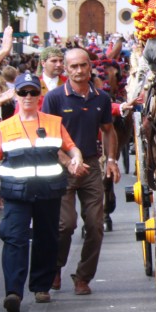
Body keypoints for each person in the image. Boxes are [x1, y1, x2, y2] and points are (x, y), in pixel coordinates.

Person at [0, 73, 82, 312]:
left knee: (47, 238)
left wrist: (76, 158)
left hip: (48, 191)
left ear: (39, 95)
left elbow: (71, 147)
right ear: (16, 95)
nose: (28, 96)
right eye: (23, 92)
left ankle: (41, 287)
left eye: (33, 92)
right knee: (14, 238)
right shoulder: (5, 126)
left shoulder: (53, 122)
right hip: (17, 193)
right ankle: (13, 292)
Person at [42, 48, 120, 296]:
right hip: (61, 167)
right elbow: (47, 137)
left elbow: (108, 130)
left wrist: (111, 160)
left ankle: (83, 276)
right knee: (65, 225)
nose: (78, 71)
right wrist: (67, 161)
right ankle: (56, 266)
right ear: (66, 69)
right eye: (73, 66)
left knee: (96, 225)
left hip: (91, 165)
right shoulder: (54, 98)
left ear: (90, 67)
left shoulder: (101, 98)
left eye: (83, 65)